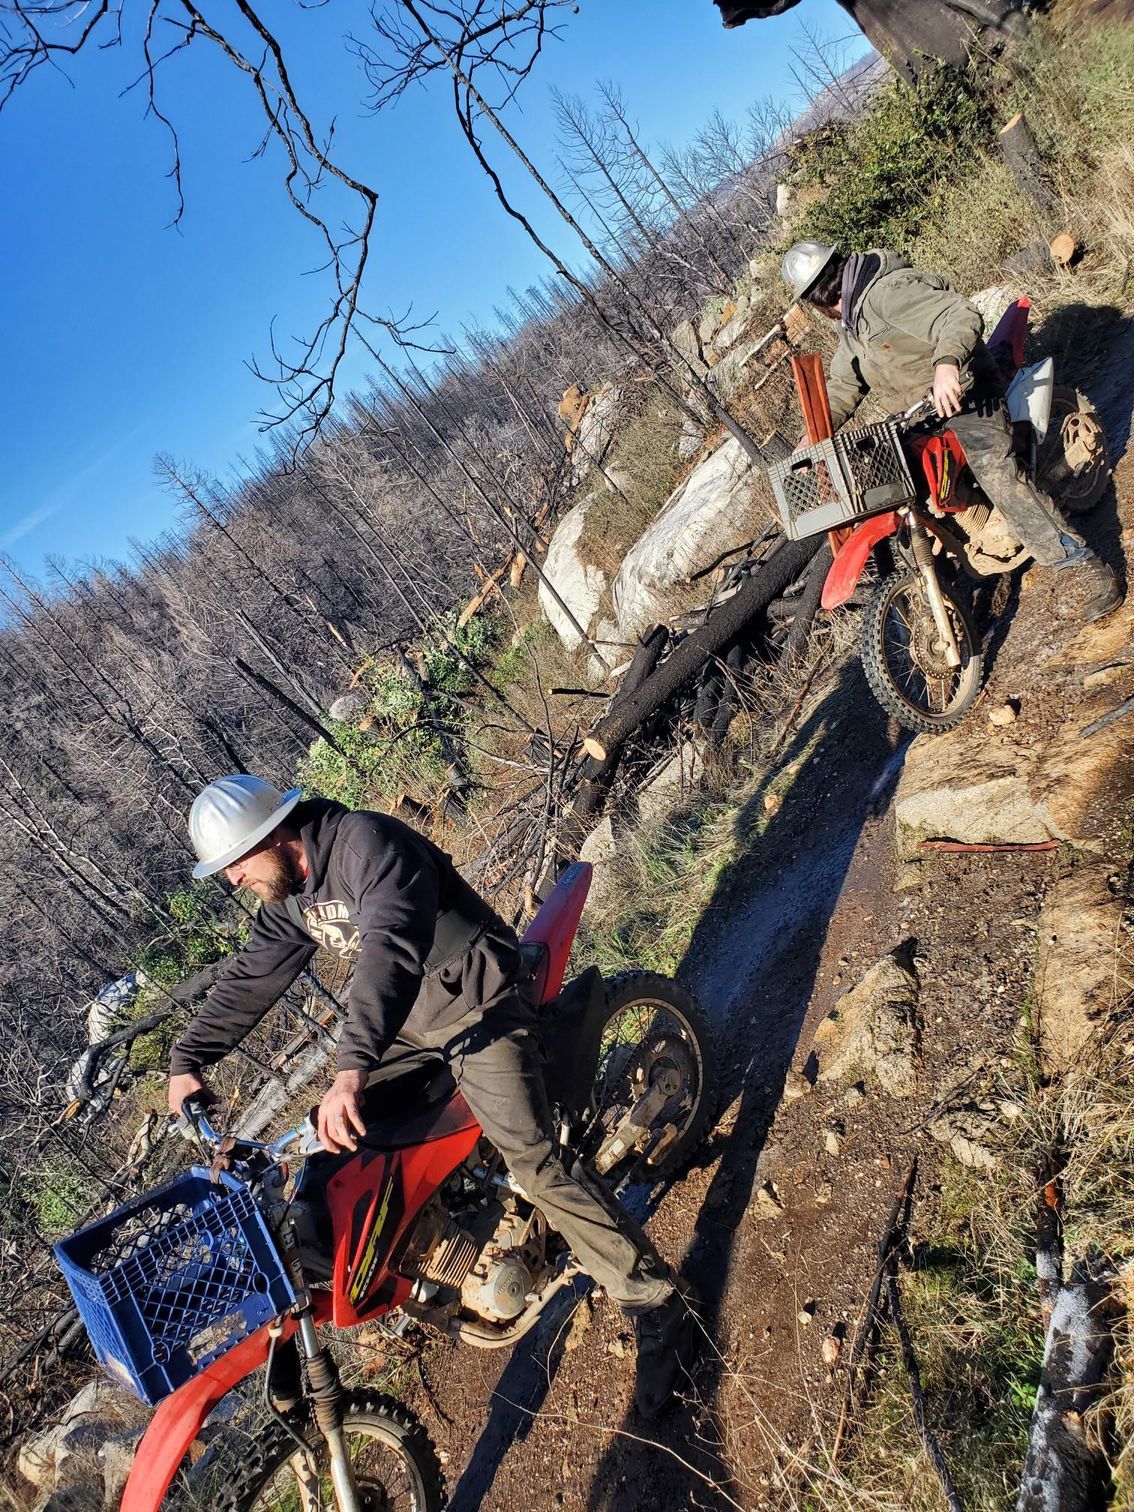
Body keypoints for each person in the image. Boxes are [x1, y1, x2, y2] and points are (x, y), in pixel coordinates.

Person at [167, 773, 694, 1416]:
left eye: (234, 864)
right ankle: (445, 1240)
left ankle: (655, 1301)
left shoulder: (366, 843)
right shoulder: (292, 896)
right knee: (338, 1139)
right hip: (415, 1026)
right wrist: (186, 1061)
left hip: (479, 1000)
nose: (232, 880)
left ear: (270, 835)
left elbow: (389, 947)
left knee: (535, 1160)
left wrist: (351, 1067)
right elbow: (254, 974)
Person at [780, 241, 1123, 624]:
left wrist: (946, 366)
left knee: (997, 472)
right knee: (903, 486)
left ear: (818, 301)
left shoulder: (887, 292)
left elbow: (959, 314)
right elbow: (845, 385)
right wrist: (812, 436)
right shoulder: (853, 323)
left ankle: (1081, 563)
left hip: (968, 391)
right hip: (923, 413)